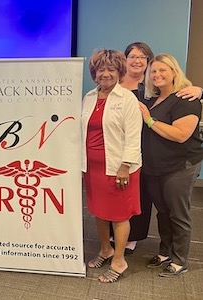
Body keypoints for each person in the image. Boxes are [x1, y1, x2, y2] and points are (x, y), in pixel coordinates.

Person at [112, 42, 203, 255]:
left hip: (169, 160)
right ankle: (163, 252)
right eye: (133, 56)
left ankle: (172, 256)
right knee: (160, 209)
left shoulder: (156, 92)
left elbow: (180, 130)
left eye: (143, 57)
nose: (137, 60)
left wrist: (199, 90)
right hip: (136, 155)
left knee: (164, 206)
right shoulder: (120, 87)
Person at [139, 53, 203, 277]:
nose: (157, 74)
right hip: (155, 166)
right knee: (163, 212)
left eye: (162, 70)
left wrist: (149, 120)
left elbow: (180, 135)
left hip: (180, 166)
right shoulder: (151, 99)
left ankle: (180, 260)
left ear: (174, 72)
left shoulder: (186, 99)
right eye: (153, 71)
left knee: (178, 213)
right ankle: (165, 252)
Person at [81, 49, 143, 283]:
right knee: (98, 211)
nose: (105, 74)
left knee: (118, 215)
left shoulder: (127, 99)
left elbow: (133, 136)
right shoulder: (89, 97)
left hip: (119, 168)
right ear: (94, 73)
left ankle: (119, 259)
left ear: (119, 72)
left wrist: (125, 165)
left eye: (111, 69)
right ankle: (105, 249)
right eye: (100, 69)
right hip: (93, 168)